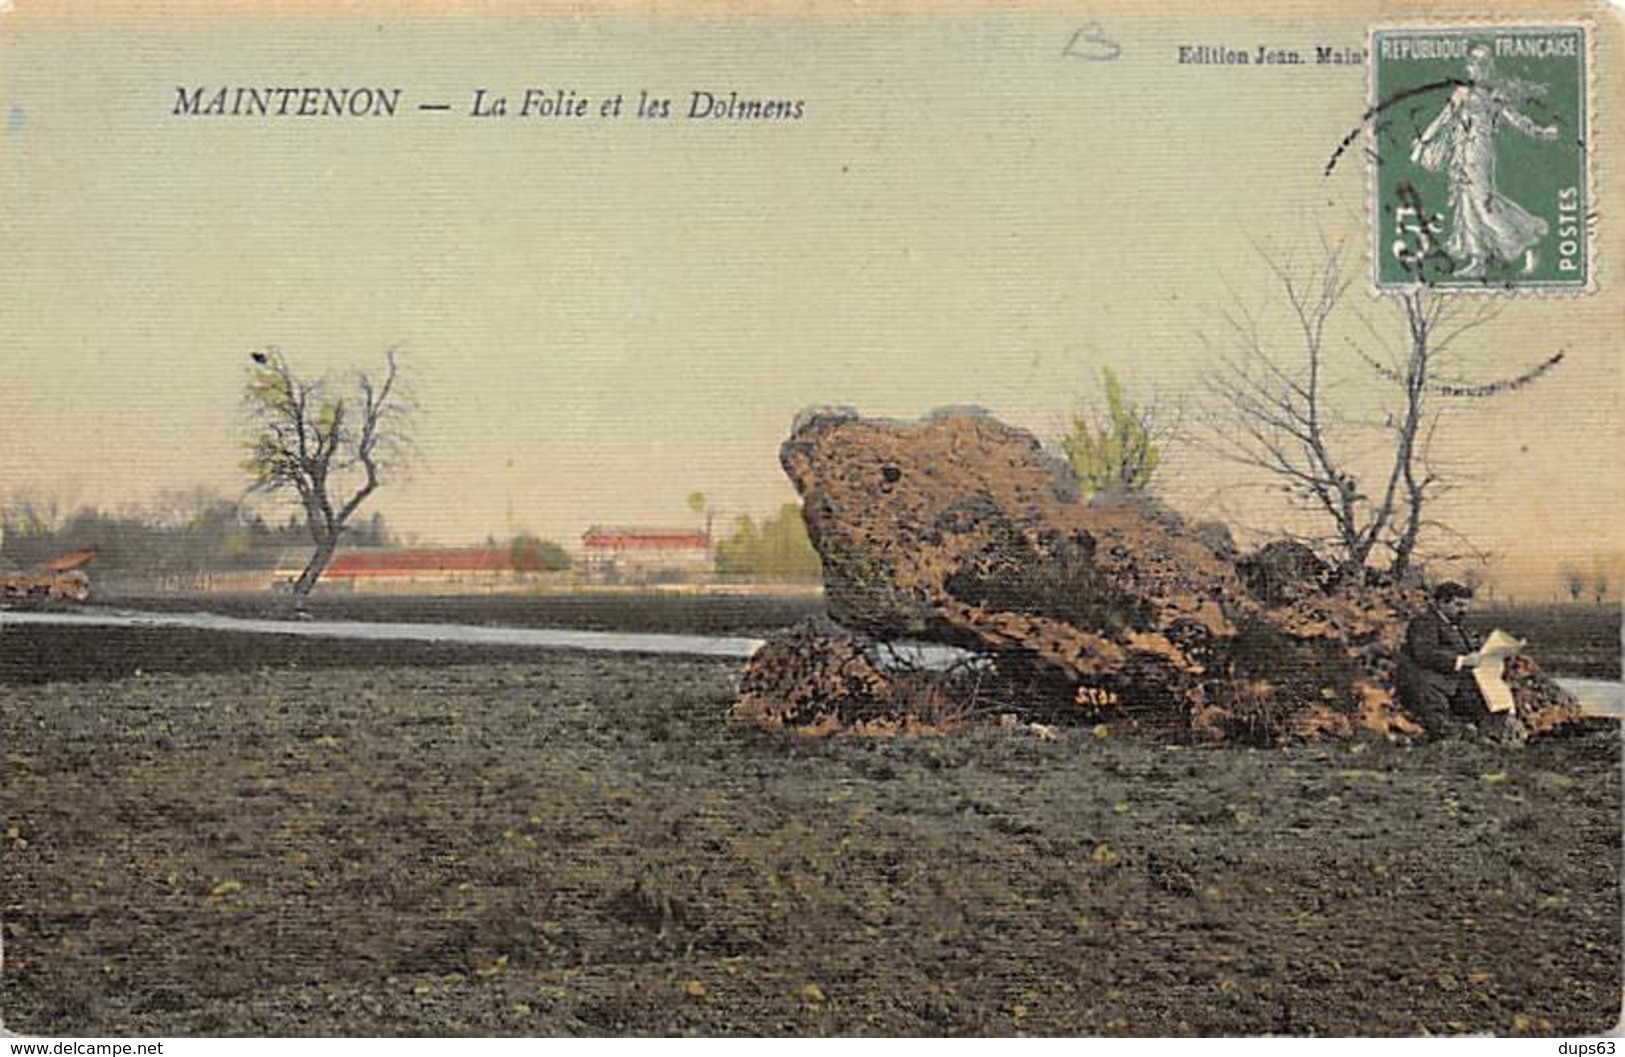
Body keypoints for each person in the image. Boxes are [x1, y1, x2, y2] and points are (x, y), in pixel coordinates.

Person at [1410, 46, 1561, 279]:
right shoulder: (1462, 92)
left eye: (1480, 65)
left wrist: (1540, 132)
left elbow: (1515, 118)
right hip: (1462, 152)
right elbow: (1443, 119)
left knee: (1481, 202)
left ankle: (1516, 243)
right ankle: (1478, 258)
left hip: (1480, 153)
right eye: (1471, 65)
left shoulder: (1494, 93)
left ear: (1488, 67)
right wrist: (1423, 142)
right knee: (1467, 202)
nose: (1474, 69)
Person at [1397, 581, 1486, 737]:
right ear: (1442, 602)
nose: (1463, 610)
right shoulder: (1424, 622)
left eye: (1465, 606)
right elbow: (1425, 654)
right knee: (1440, 724)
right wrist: (1461, 661)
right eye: (1458, 605)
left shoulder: (1455, 625)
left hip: (1451, 680)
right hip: (1427, 683)